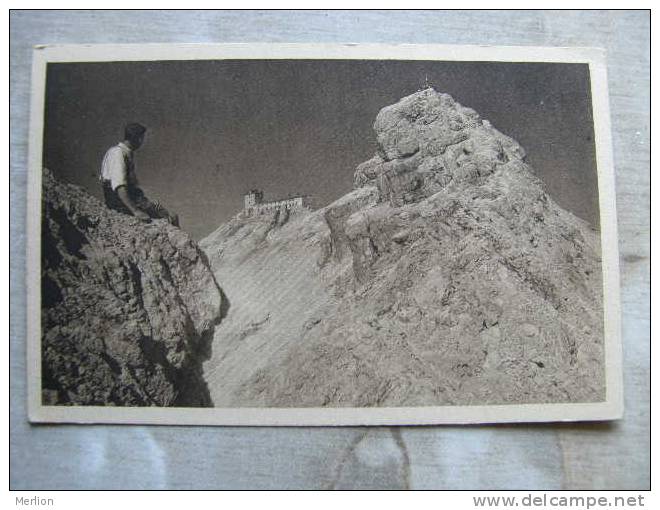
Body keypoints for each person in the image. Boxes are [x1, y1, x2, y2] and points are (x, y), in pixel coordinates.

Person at [100, 123, 179, 226]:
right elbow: (120, 187)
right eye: (142, 138)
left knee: (163, 210)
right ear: (138, 138)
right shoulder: (118, 153)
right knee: (170, 217)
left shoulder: (122, 152)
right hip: (121, 202)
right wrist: (136, 211)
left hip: (130, 198)